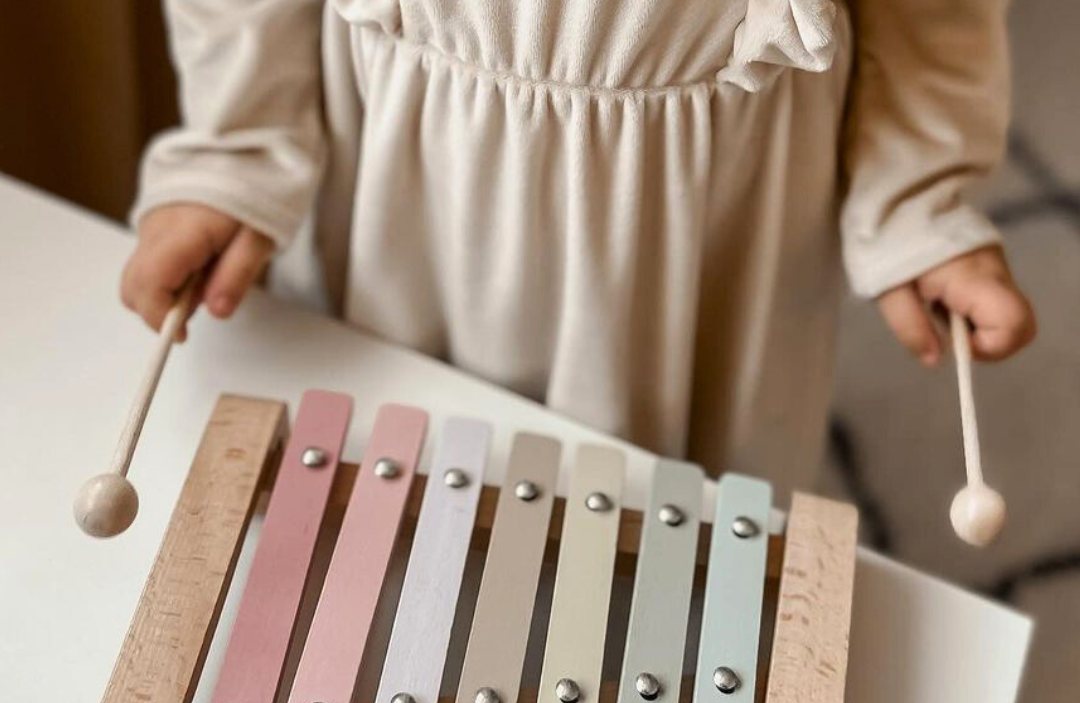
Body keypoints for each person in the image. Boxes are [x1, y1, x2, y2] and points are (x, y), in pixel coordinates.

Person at [121, 1, 1036, 498]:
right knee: (395, 483)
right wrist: (239, 145)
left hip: (714, 205)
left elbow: (935, 16)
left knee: (691, 509)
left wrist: (921, 198)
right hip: (410, 173)